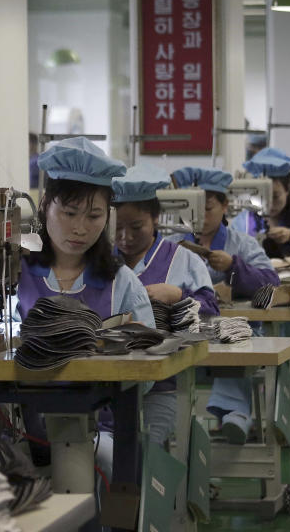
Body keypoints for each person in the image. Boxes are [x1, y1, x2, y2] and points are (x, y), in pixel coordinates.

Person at [13, 137, 154, 481]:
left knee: (90, 463)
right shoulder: (13, 272)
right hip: (18, 421)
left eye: (94, 216)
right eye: (69, 212)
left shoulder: (122, 283)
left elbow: (147, 373)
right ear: (45, 205)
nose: (79, 228)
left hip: (100, 426)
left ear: (108, 217)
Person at [166, 166, 279, 443]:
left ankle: (234, 414)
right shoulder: (173, 245)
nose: (200, 217)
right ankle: (179, 431)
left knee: (234, 339)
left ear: (225, 206)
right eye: (193, 210)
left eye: (208, 208)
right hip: (188, 335)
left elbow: (272, 282)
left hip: (234, 334)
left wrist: (234, 268)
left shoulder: (241, 244)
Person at [112, 163, 219, 445]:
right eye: (117, 228)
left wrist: (179, 297)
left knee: (145, 447)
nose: (125, 237)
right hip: (107, 385)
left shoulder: (183, 260)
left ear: (156, 219)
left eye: (136, 227)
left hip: (164, 387)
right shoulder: (101, 263)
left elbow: (210, 312)